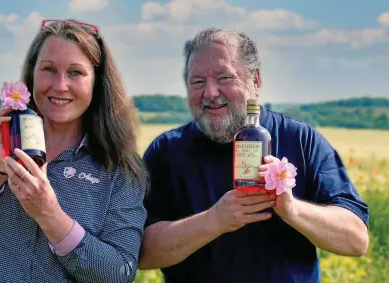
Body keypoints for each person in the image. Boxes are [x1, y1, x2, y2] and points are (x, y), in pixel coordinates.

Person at [0, 19, 148, 283]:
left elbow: (119, 273)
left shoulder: (119, 168)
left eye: (76, 72)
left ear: (97, 82)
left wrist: (50, 214)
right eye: (49, 69)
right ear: (32, 74)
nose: (60, 85)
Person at [138, 28, 369, 283]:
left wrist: (292, 210)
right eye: (197, 82)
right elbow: (141, 253)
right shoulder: (167, 151)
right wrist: (214, 220)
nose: (211, 93)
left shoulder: (300, 139)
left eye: (224, 78)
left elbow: (356, 240)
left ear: (255, 81)